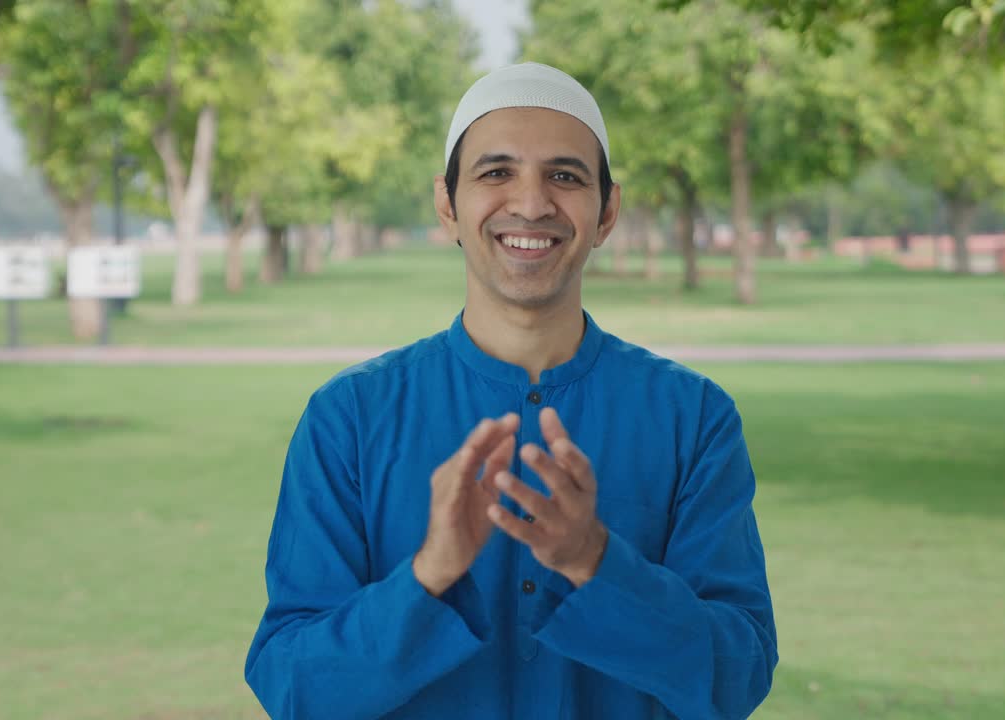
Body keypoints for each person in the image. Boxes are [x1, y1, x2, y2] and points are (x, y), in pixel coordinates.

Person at [244, 62, 777, 720]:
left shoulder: (692, 418)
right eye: (496, 173)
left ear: (607, 210)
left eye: (565, 175)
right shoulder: (348, 419)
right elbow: (293, 688)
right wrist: (430, 573)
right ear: (448, 206)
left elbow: (737, 678)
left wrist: (594, 560)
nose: (531, 203)